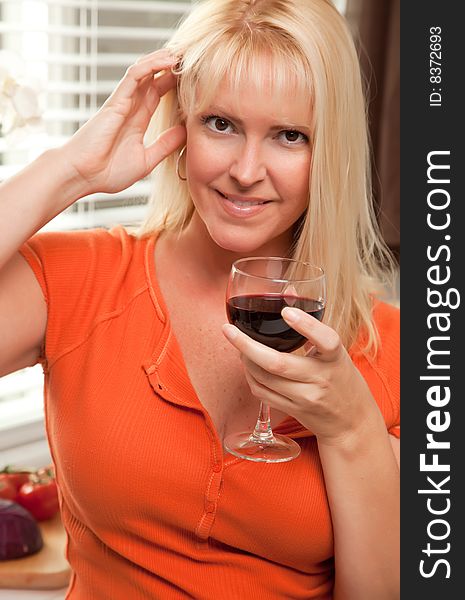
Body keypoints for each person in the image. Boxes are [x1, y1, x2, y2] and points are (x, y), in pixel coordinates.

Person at [0, 0, 400, 598]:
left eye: (289, 136)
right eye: (221, 124)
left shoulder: (395, 348)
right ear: (180, 125)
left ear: (330, 153)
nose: (245, 169)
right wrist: (71, 171)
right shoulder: (81, 280)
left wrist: (352, 430)